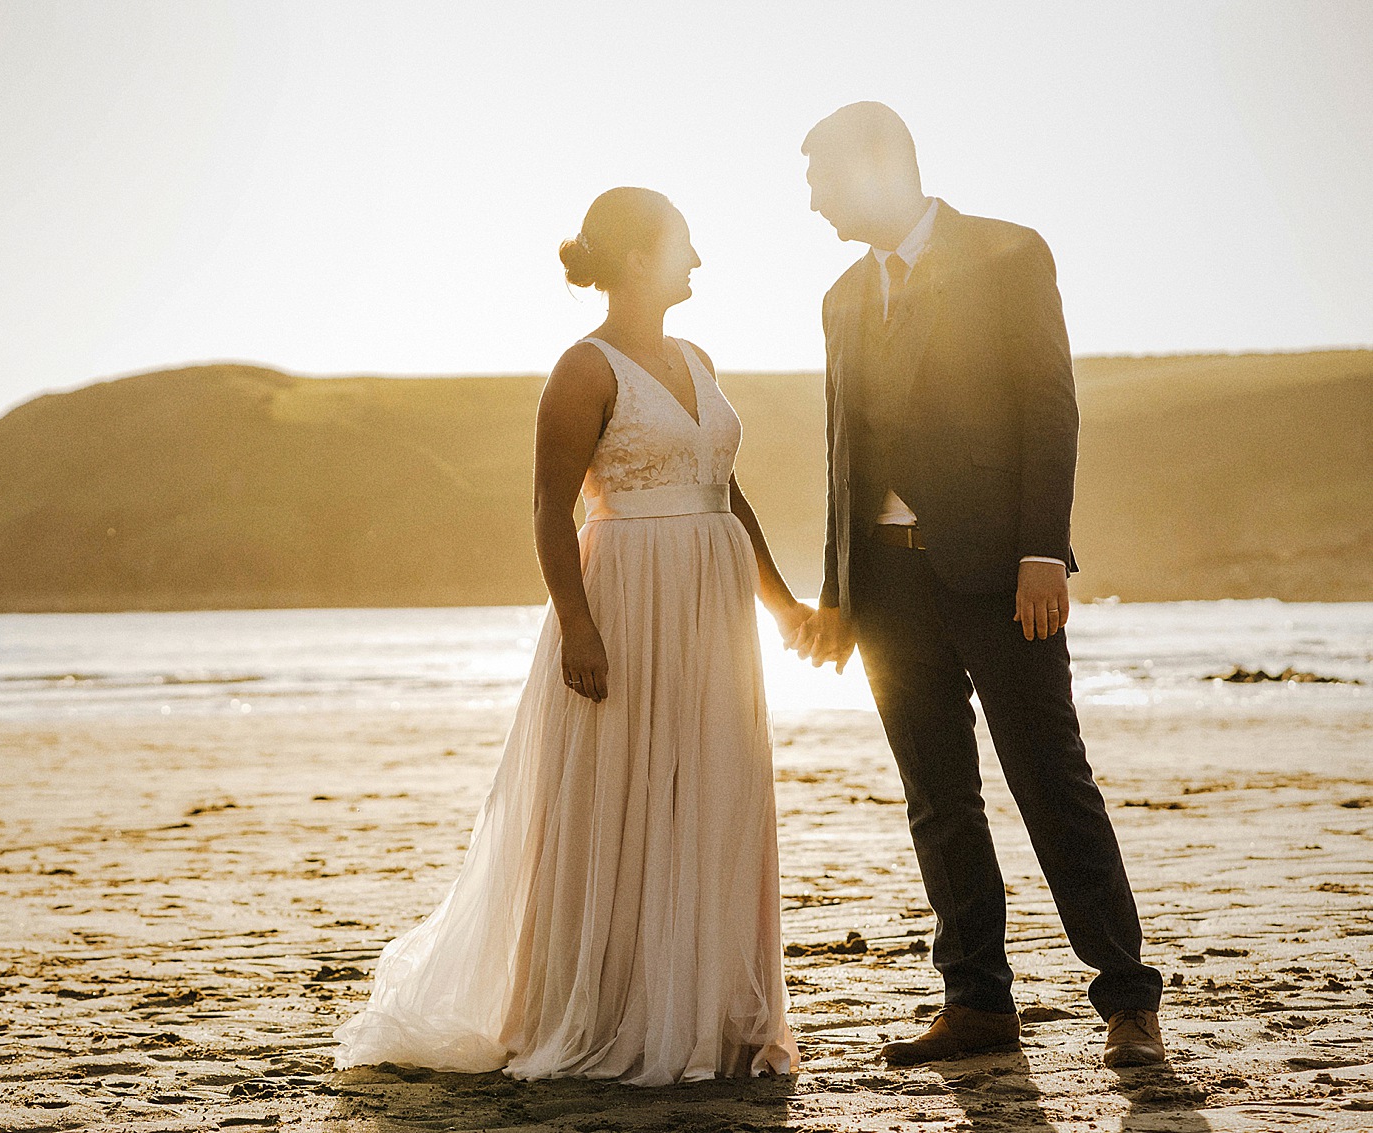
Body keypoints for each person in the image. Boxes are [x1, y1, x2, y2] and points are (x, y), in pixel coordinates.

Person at [333, 187, 805, 1084]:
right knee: (616, 799)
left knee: (713, 790)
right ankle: (600, 1009)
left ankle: (706, 1012)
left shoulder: (699, 357)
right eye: (684, 245)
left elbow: (726, 493)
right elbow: (551, 508)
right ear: (636, 258)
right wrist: (578, 626)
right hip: (628, 600)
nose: (699, 261)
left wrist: (781, 606)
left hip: (713, 608)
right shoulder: (583, 371)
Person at [796, 101, 1166, 1068]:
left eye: (821, 181)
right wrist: (839, 589)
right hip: (884, 586)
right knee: (938, 797)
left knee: (1051, 778)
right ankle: (977, 1001)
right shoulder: (840, 296)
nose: (814, 206)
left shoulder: (1008, 254)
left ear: (879, 166)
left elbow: (1049, 405)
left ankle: (1127, 997)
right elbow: (843, 451)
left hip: (1003, 573)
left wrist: (1045, 549)